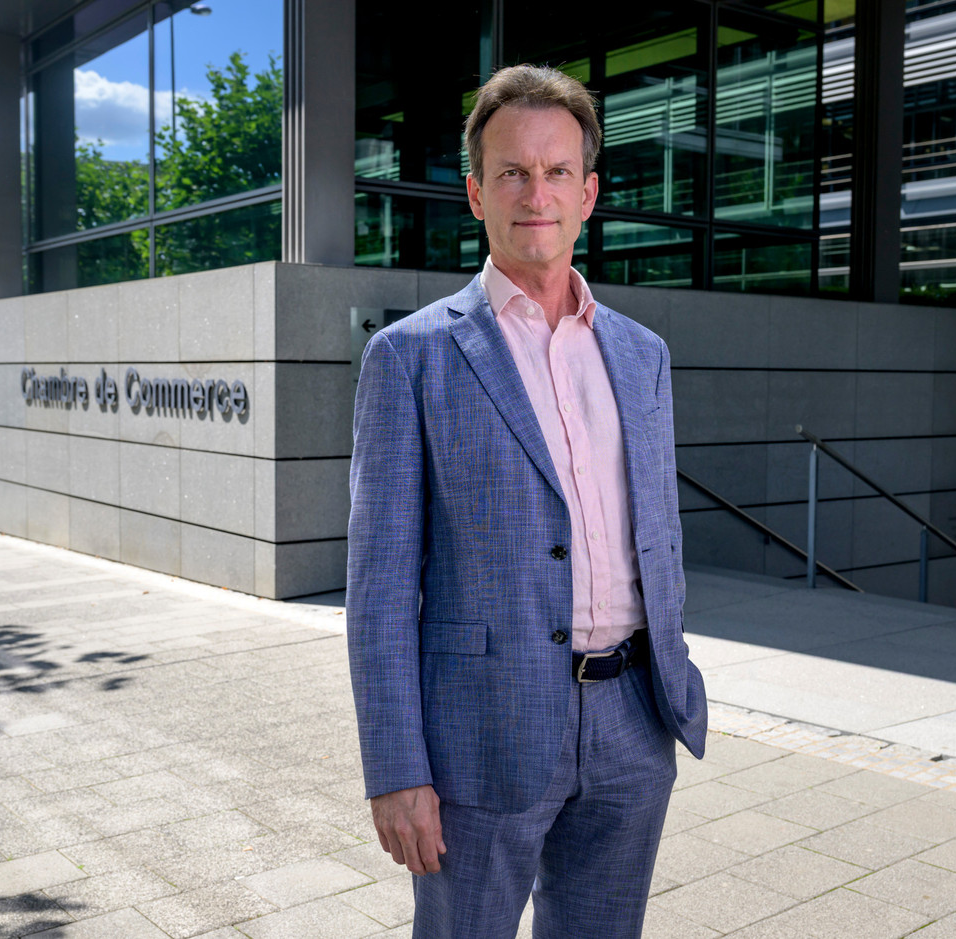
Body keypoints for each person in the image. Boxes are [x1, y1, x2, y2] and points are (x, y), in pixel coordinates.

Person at [346, 63, 708, 939]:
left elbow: (654, 537)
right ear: (475, 194)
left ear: (588, 194)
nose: (532, 192)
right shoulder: (411, 358)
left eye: (554, 172)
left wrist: (677, 671)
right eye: (511, 171)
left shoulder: (642, 354)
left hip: (632, 723)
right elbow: (382, 584)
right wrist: (396, 768)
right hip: (480, 735)